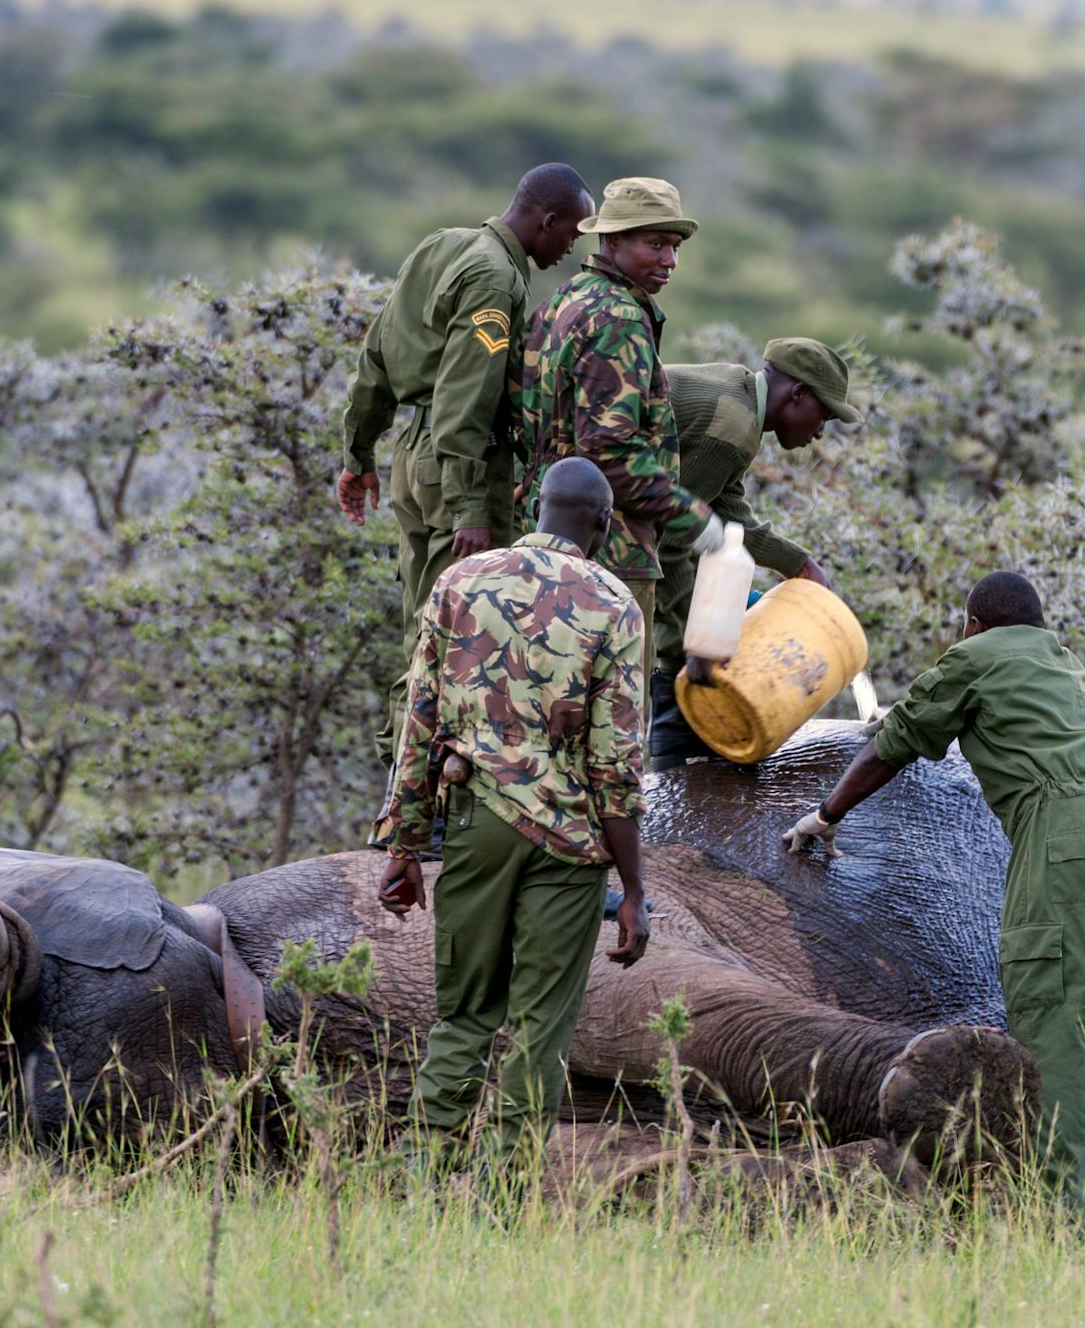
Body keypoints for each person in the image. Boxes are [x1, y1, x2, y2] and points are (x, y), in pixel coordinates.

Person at [782, 572, 1085, 1208]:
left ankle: (1051, 1223)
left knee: (1056, 1034)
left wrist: (824, 815)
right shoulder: (1061, 661)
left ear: (975, 624)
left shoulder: (974, 656)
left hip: (1069, 840)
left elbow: (892, 744)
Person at [376, 456, 651, 1168]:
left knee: (463, 1017)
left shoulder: (459, 582)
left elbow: (419, 719)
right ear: (602, 522)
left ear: (534, 504)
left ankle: (422, 1183)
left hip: (475, 824)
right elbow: (616, 762)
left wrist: (404, 841)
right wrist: (635, 892)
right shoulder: (615, 604)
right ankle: (499, 1202)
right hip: (571, 846)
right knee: (538, 1031)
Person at [337, 163, 597, 764]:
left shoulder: (443, 245)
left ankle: (411, 788)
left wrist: (360, 453)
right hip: (457, 466)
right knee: (458, 638)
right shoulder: (492, 276)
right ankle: (413, 797)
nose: (570, 249)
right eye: (571, 234)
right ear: (547, 218)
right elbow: (462, 401)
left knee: (426, 626)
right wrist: (471, 507)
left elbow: (376, 354)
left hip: (412, 457)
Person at [513, 176, 722, 690]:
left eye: (673, 247)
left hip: (538, 540)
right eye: (654, 244)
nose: (669, 260)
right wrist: (698, 520)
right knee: (615, 714)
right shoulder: (619, 318)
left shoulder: (562, 302)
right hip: (611, 555)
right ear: (611, 242)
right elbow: (609, 455)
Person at [649, 338, 862, 768]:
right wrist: (691, 644)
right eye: (822, 414)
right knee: (685, 689)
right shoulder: (732, 426)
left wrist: (797, 563)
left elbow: (725, 512)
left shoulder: (741, 397)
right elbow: (668, 533)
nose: (820, 431)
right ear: (797, 393)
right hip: (588, 519)